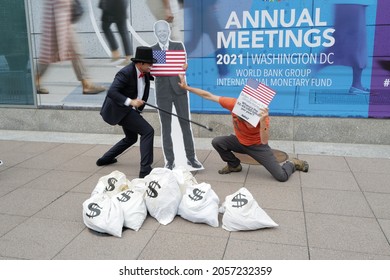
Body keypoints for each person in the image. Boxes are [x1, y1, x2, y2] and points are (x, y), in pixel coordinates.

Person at [177, 74, 309, 182]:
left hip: (257, 146)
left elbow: (264, 141)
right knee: (217, 142)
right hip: (239, 141)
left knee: (281, 176)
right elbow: (208, 95)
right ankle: (234, 165)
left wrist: (263, 122)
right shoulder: (235, 104)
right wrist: (186, 87)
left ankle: (293, 163)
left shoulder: (262, 116)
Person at [97, 46, 156, 178]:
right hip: (120, 109)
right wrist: (131, 102)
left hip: (129, 110)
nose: (151, 66)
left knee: (131, 138)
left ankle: (105, 159)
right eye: (150, 63)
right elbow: (112, 92)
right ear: (140, 63)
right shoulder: (125, 73)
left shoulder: (145, 72)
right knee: (148, 131)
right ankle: (145, 171)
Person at [151, 20, 202, 170]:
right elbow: (157, 69)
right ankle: (170, 161)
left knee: (185, 125)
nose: (162, 33)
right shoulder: (153, 50)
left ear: (169, 31)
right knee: (166, 128)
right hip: (163, 94)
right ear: (155, 33)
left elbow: (179, 66)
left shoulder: (178, 46)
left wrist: (183, 67)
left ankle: (191, 158)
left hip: (179, 91)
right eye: (159, 31)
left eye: (164, 30)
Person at [36, 0, 105, 95]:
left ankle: (86, 84)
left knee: (73, 51)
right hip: (58, 13)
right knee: (50, 52)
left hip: (63, 13)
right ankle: (35, 80)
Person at [99, 0, 133, 67]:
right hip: (120, 4)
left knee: (106, 27)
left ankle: (117, 53)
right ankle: (127, 56)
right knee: (123, 30)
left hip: (111, 5)